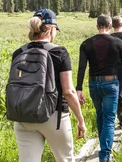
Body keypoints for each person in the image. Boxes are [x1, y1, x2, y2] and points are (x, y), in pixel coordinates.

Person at [12, 9, 86, 162]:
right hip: (54, 116)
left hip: (23, 116)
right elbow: (68, 91)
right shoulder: (59, 52)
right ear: (51, 29)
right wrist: (80, 119)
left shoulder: (18, 52)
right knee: (65, 159)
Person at [76, 14, 122, 162]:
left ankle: (103, 147)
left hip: (93, 84)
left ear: (97, 26)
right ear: (110, 26)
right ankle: (104, 155)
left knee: (100, 114)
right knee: (110, 119)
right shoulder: (117, 42)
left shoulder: (86, 44)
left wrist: (79, 88)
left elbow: (82, 67)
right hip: (111, 84)